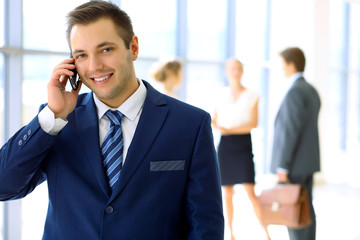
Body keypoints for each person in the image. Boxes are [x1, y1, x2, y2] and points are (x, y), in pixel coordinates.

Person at [0, 1, 224, 239]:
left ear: (133, 48)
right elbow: (5, 186)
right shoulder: (57, 121)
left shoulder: (190, 124)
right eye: (82, 55)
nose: (94, 66)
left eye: (106, 50)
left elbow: (205, 226)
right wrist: (52, 116)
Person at [212, 58, 270, 240]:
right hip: (225, 146)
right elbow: (213, 119)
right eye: (232, 68)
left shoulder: (253, 95)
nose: (235, 72)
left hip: (244, 144)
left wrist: (228, 129)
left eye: (238, 68)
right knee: (227, 192)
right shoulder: (219, 94)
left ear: (242, 71)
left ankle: (266, 231)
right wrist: (220, 127)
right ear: (227, 71)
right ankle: (230, 233)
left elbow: (253, 123)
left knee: (251, 191)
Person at [270, 47, 321, 240]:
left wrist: (283, 165)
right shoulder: (311, 90)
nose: (281, 69)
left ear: (291, 65)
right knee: (306, 208)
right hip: (308, 162)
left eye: (282, 64)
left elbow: (289, 131)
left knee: (295, 211)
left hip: (294, 164)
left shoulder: (295, 92)